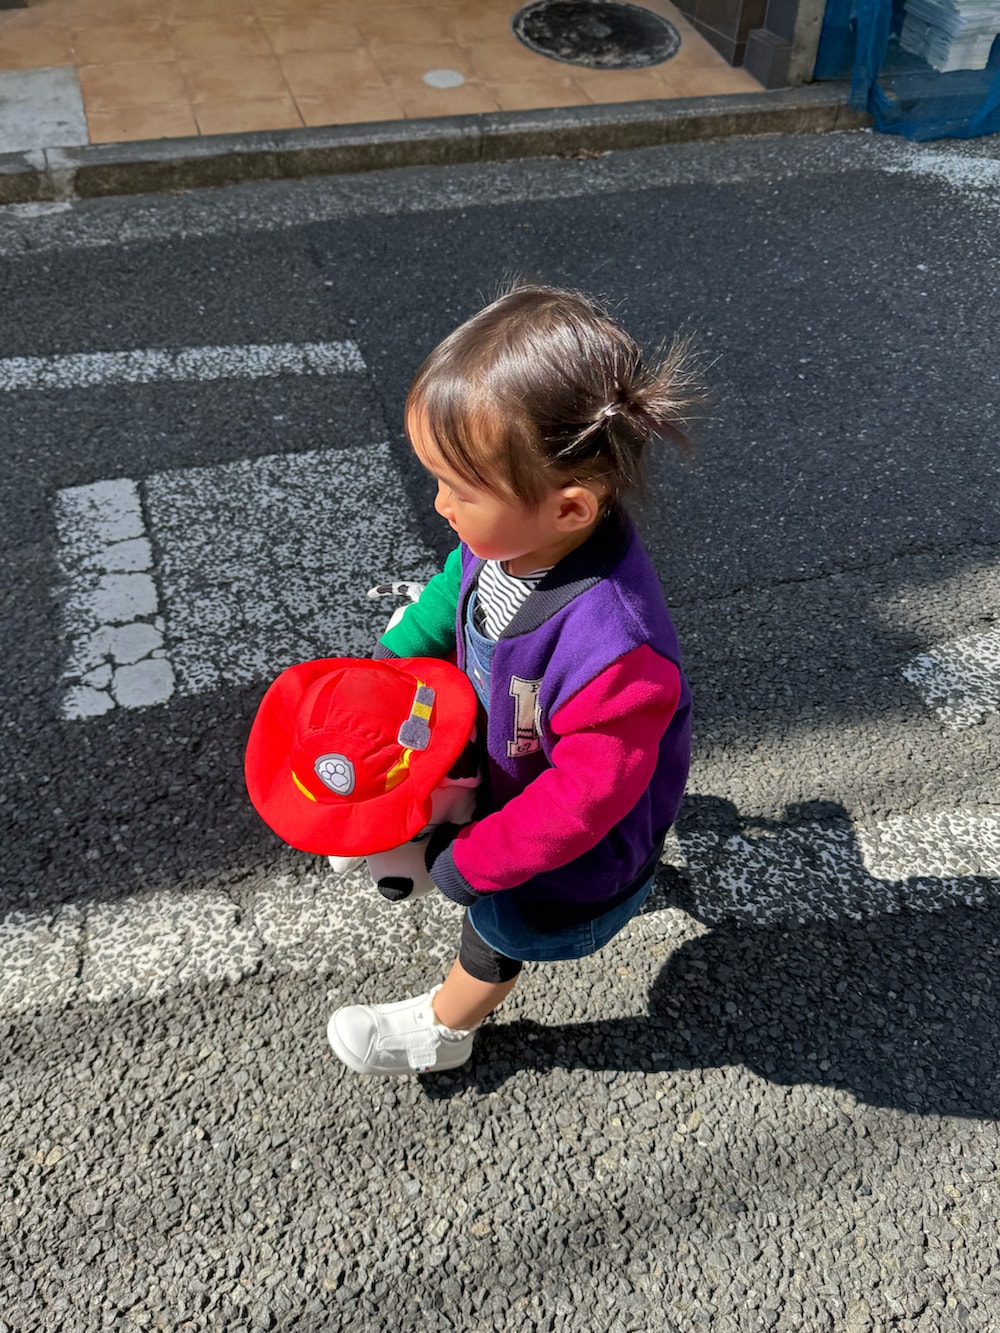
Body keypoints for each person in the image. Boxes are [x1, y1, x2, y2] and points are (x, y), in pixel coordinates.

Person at [326, 282, 699, 1077]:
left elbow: (581, 801)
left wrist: (469, 863)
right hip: (512, 752)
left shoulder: (614, 650)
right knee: (440, 783)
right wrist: (395, 663)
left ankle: (445, 1026)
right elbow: (451, 590)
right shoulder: (508, 543)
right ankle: (399, 832)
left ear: (568, 509)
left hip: (567, 839)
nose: (439, 505)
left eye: (460, 489)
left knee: (497, 921)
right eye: (436, 480)